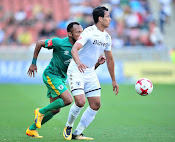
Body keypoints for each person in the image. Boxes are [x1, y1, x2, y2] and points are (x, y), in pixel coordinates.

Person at [26, 21, 106, 138]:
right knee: (68, 100)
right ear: (69, 34)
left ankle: (32, 129)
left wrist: (97, 63)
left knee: (55, 110)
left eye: (82, 32)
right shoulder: (59, 43)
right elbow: (39, 43)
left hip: (61, 78)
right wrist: (33, 63)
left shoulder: (82, 47)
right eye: (78, 32)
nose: (81, 34)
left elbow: (85, 68)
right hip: (51, 75)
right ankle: (41, 111)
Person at [63, 6, 119, 140]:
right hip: (76, 70)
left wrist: (113, 80)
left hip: (89, 72)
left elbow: (110, 59)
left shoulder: (106, 37)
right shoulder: (89, 31)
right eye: (107, 16)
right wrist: (78, 63)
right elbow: (74, 49)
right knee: (81, 102)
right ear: (100, 18)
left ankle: (77, 133)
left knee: (95, 104)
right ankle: (69, 126)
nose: (110, 19)